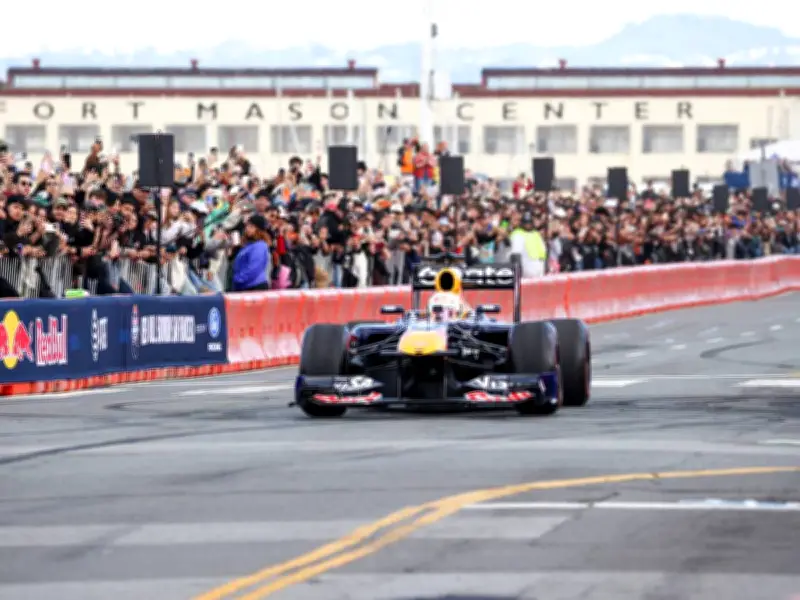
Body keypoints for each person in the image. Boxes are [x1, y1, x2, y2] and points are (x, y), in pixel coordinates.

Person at [231, 214, 271, 292]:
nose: (247, 229)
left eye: (251, 226)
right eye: (247, 226)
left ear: (259, 230)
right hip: (243, 286)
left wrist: (238, 279)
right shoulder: (248, 245)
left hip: (254, 287)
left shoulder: (260, 246)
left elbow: (253, 268)